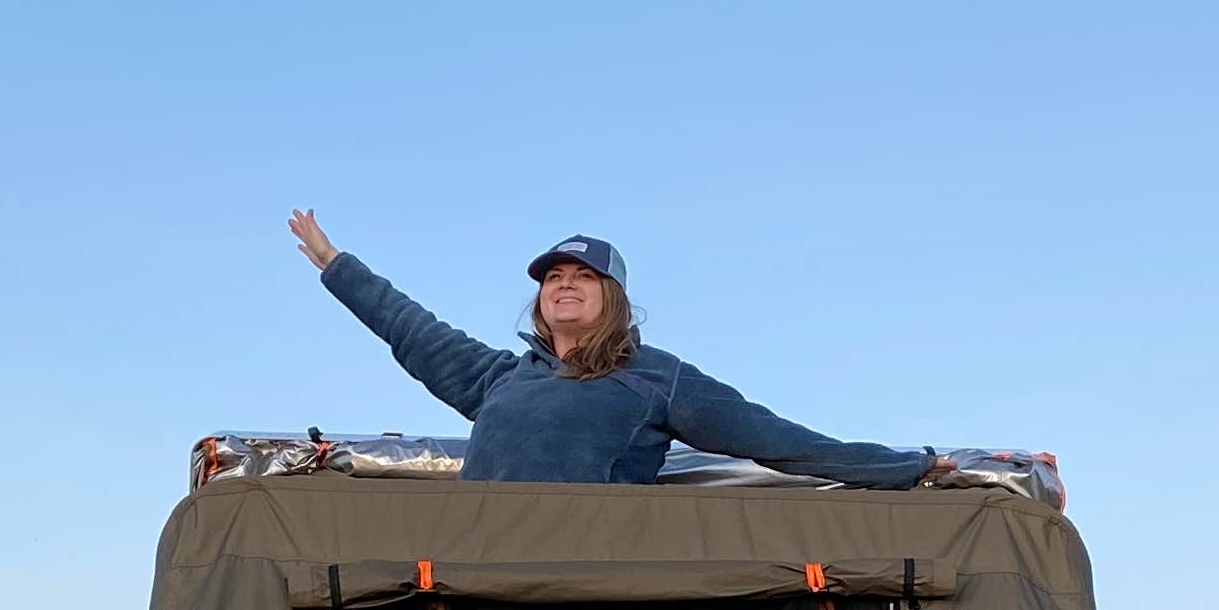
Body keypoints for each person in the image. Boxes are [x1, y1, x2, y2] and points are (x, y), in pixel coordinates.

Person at [286, 213, 957, 488]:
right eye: (554, 277)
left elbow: (778, 439)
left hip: (581, 578)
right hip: (474, 570)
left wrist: (911, 466)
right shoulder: (500, 380)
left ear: (613, 298)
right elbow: (411, 327)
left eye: (583, 277)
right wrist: (336, 265)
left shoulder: (655, 377)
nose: (564, 284)